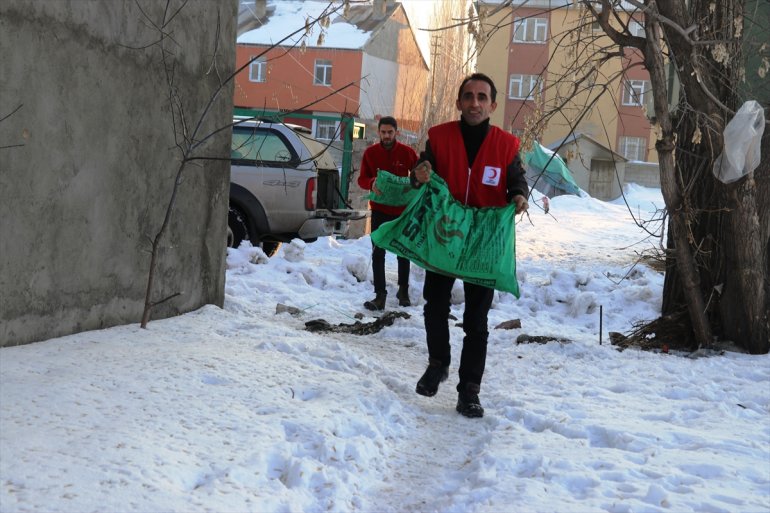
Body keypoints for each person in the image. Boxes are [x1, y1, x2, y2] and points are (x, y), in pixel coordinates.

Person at [410, 73, 529, 418]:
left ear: (492, 105)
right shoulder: (439, 137)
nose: (474, 103)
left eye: (481, 97)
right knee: (434, 305)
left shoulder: (506, 145)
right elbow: (422, 170)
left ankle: (469, 391)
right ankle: (438, 364)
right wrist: (418, 173)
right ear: (459, 102)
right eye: (468, 96)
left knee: (476, 319)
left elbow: (516, 180)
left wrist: (519, 195)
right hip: (445, 233)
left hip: (483, 240)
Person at [357, 116, 419, 311]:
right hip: (379, 210)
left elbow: (419, 175)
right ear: (378, 132)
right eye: (383, 132)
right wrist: (371, 183)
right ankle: (380, 295)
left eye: (390, 132)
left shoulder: (407, 153)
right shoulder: (371, 153)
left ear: (396, 132)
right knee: (378, 253)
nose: (386, 136)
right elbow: (362, 179)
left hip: (402, 211)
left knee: (403, 251)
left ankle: (403, 291)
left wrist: (416, 184)